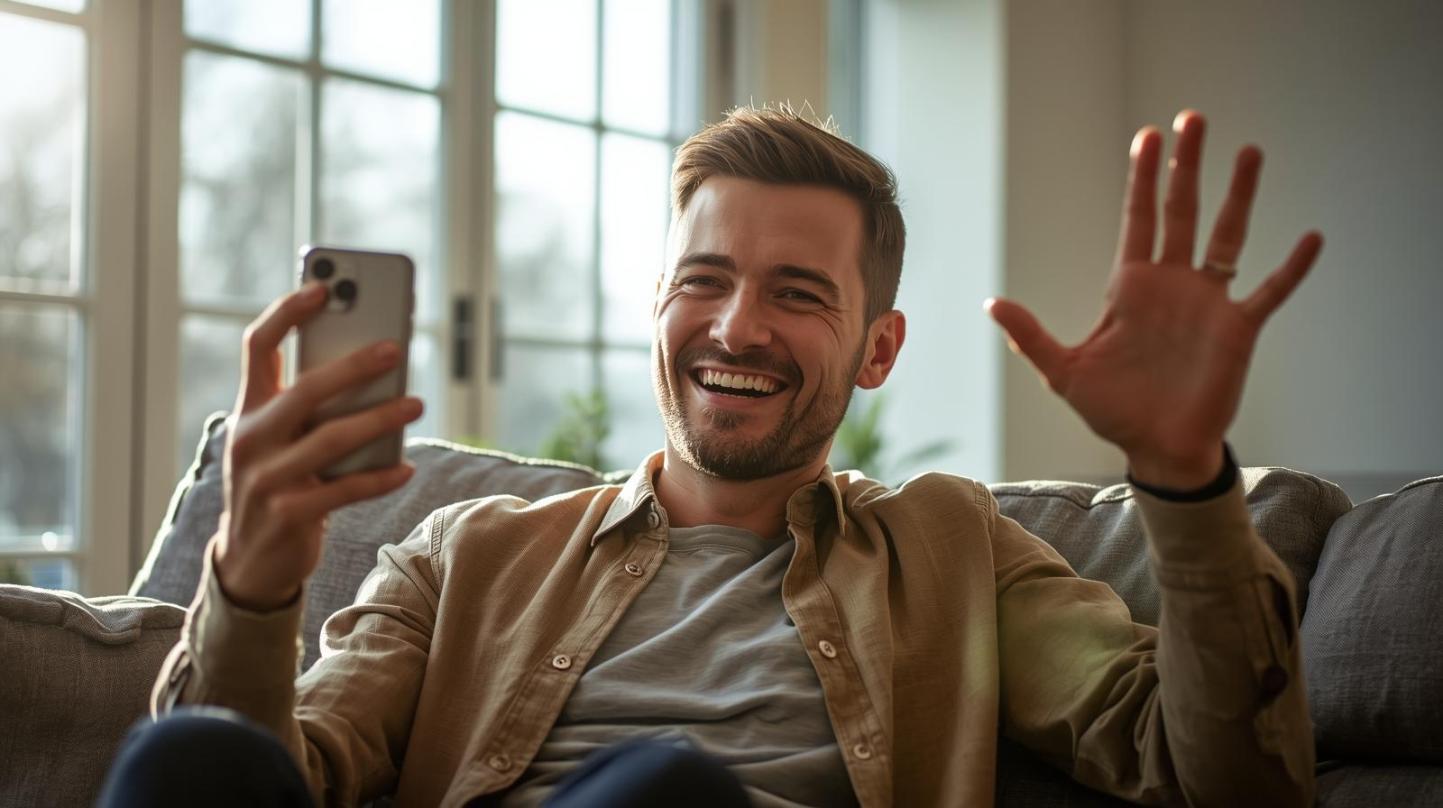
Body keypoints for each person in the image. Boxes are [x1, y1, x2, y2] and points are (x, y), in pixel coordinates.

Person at [99, 106, 1322, 807]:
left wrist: (1185, 475)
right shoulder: (465, 553)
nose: (738, 327)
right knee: (187, 756)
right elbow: (285, 773)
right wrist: (253, 581)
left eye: (797, 293)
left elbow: (1216, 779)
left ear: (877, 347)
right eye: (706, 281)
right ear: (660, 308)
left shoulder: (957, 554)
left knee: (659, 797)